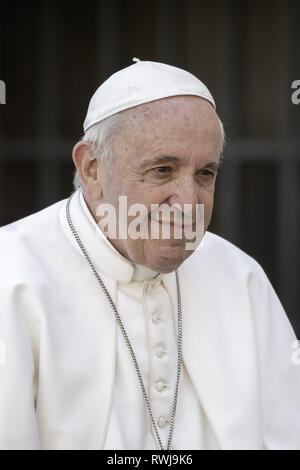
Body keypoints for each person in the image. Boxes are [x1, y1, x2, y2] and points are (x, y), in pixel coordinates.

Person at [0, 59, 299, 450]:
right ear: (92, 169)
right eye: (162, 169)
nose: (188, 204)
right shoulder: (12, 273)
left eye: (205, 174)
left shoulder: (239, 276)